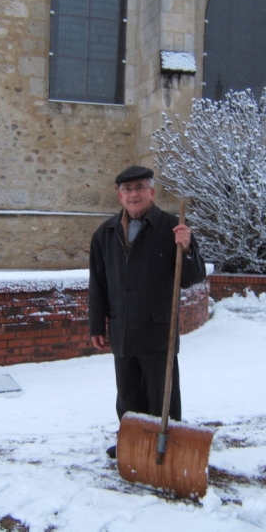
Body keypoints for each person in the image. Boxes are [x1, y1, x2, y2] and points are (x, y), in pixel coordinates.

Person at [88, 165, 207, 458]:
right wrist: (96, 326)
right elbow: (98, 283)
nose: (133, 194)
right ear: (120, 196)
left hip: (158, 330)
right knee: (127, 395)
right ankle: (132, 442)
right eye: (127, 190)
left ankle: (167, 446)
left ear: (151, 192)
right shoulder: (105, 233)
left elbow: (193, 277)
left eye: (140, 187)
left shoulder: (173, 228)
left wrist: (188, 248)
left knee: (162, 396)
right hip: (122, 328)